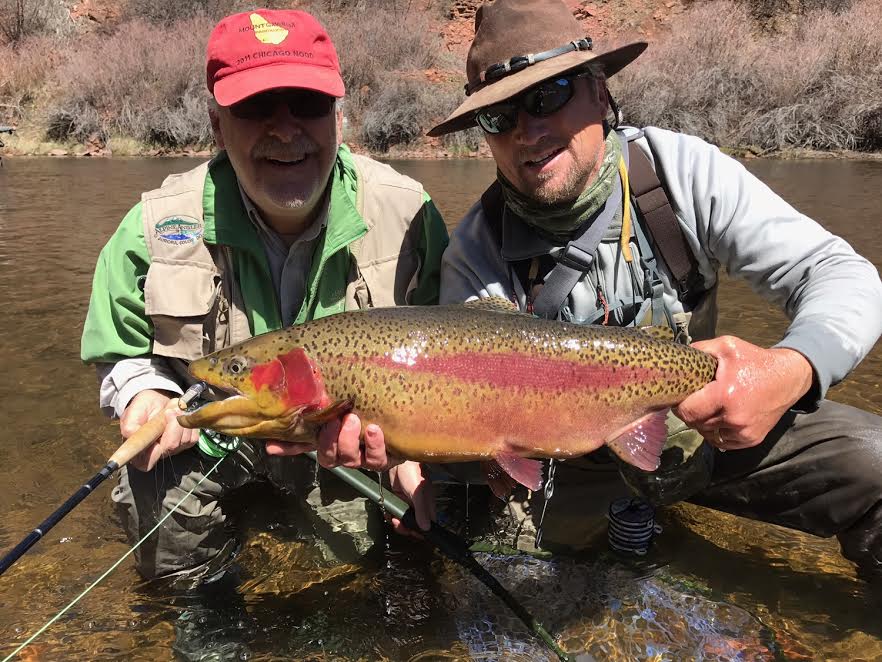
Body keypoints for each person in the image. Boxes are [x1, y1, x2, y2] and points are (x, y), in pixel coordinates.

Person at [386, 0, 882, 589]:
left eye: (548, 95)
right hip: (573, 460)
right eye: (497, 116)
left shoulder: (680, 172)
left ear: (599, 93)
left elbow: (840, 275)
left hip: (711, 425)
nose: (527, 129)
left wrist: (790, 370)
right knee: (519, 574)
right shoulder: (472, 252)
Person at [80, 8, 447, 582]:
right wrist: (145, 394)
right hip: (211, 444)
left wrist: (412, 452)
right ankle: (199, 613)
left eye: (307, 104)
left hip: (339, 443)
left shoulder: (409, 214)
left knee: (359, 564)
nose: (284, 129)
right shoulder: (152, 227)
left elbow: (451, 356)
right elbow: (121, 348)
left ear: (338, 117)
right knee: (149, 483)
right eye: (254, 107)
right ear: (215, 124)